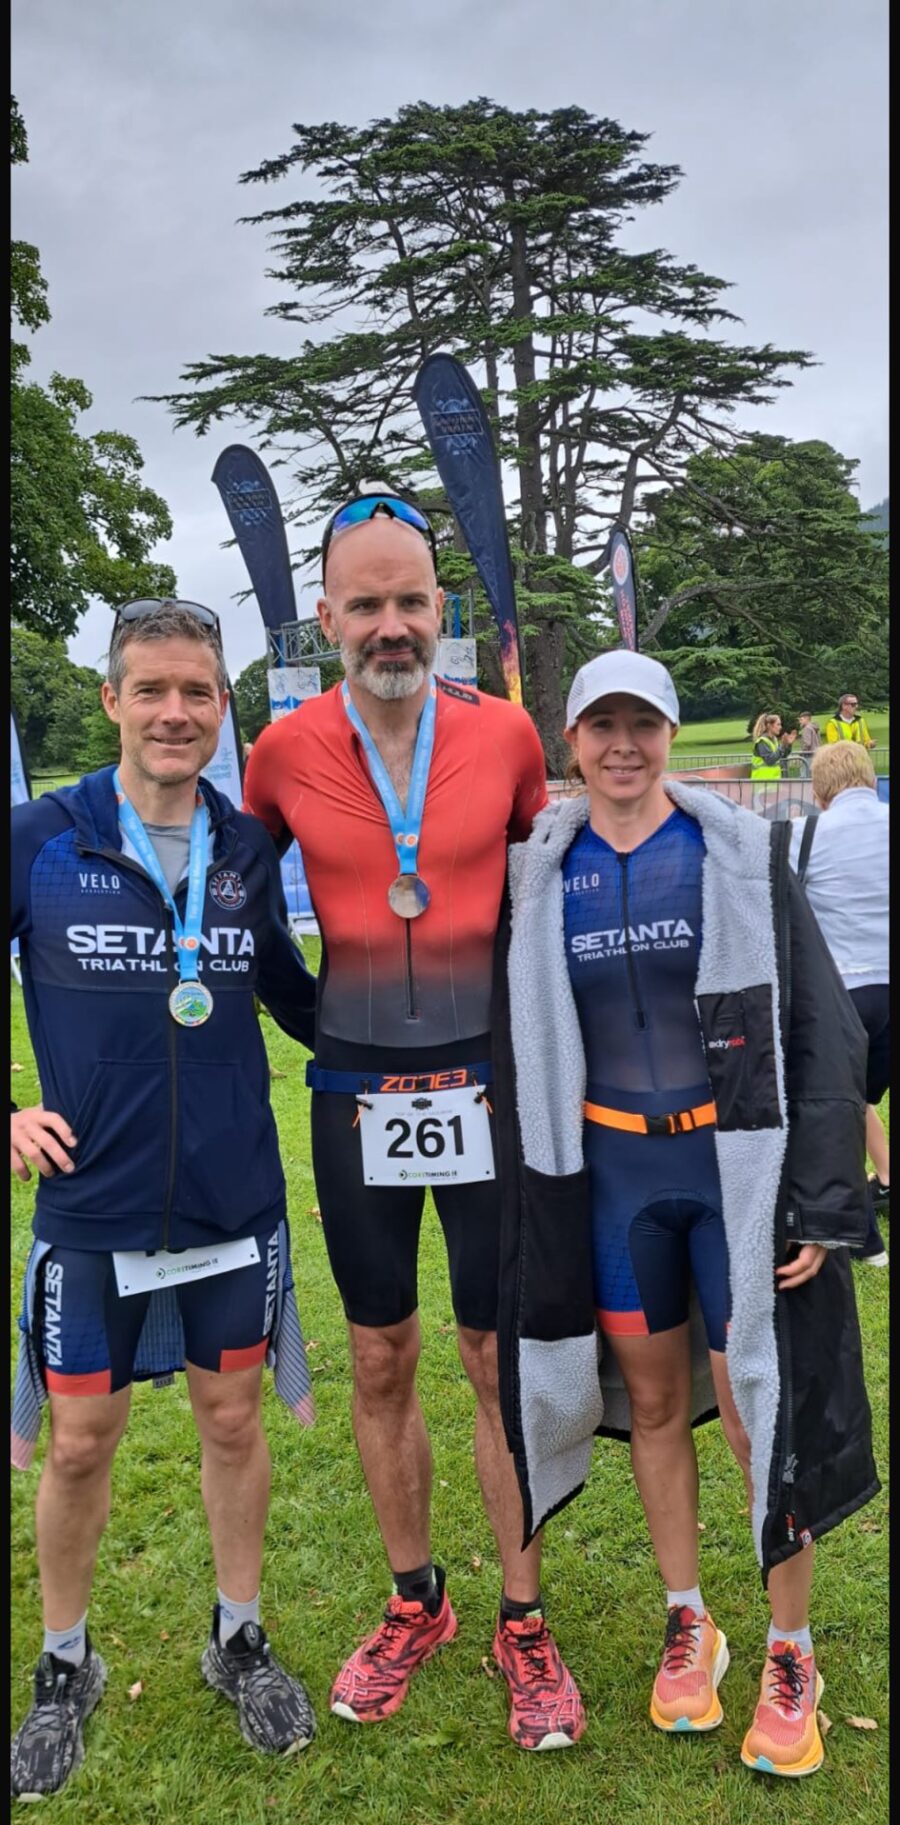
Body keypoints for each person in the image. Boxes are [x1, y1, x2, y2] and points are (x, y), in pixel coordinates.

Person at [491, 646, 879, 1778]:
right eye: (602, 727)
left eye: (644, 725)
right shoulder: (539, 877)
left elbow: (825, 1029)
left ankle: (792, 1649)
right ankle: (688, 1619)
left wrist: (821, 1201)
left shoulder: (739, 856)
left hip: (731, 1176)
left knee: (761, 1411)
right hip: (613, 1180)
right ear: (572, 742)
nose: (624, 747)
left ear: (668, 734)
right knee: (654, 1407)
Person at [243, 484, 585, 1751]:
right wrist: (313, 1018)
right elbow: (237, 899)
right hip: (355, 1098)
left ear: (440, 610)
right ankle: (415, 1601)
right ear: (327, 616)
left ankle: (523, 1618)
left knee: (496, 1357)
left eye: (408, 603)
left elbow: (548, 894)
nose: (389, 626)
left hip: (486, 1090)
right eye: (365, 605)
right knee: (381, 1357)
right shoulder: (282, 753)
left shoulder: (505, 737)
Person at [10, 600, 319, 1799]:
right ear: (112, 702)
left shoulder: (247, 850)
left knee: (232, 1424)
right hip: (93, 1208)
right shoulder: (43, 837)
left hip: (232, 1207)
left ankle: (237, 1636)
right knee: (81, 1444)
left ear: (223, 707)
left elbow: (290, 992)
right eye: (152, 689)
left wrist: (417, 1053)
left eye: (198, 691)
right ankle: (65, 1661)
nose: (176, 712)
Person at [790, 742, 890, 1266]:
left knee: (835, 1110)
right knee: (860, 1100)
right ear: (870, 778)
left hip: (845, 992)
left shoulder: (806, 835)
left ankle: (864, 1238)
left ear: (819, 790)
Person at [749, 711, 797, 779]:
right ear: (769, 726)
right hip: (762, 780)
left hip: (773, 780)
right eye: (778, 724)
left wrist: (788, 745)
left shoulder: (774, 740)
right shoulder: (762, 741)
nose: (780, 727)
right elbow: (770, 760)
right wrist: (782, 746)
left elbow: (782, 756)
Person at [795, 712, 820, 779]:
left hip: (808, 756)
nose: (800, 722)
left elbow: (807, 744)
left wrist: (801, 753)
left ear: (807, 719)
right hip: (815, 755)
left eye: (801, 719)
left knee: (805, 777)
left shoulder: (807, 728)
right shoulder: (814, 728)